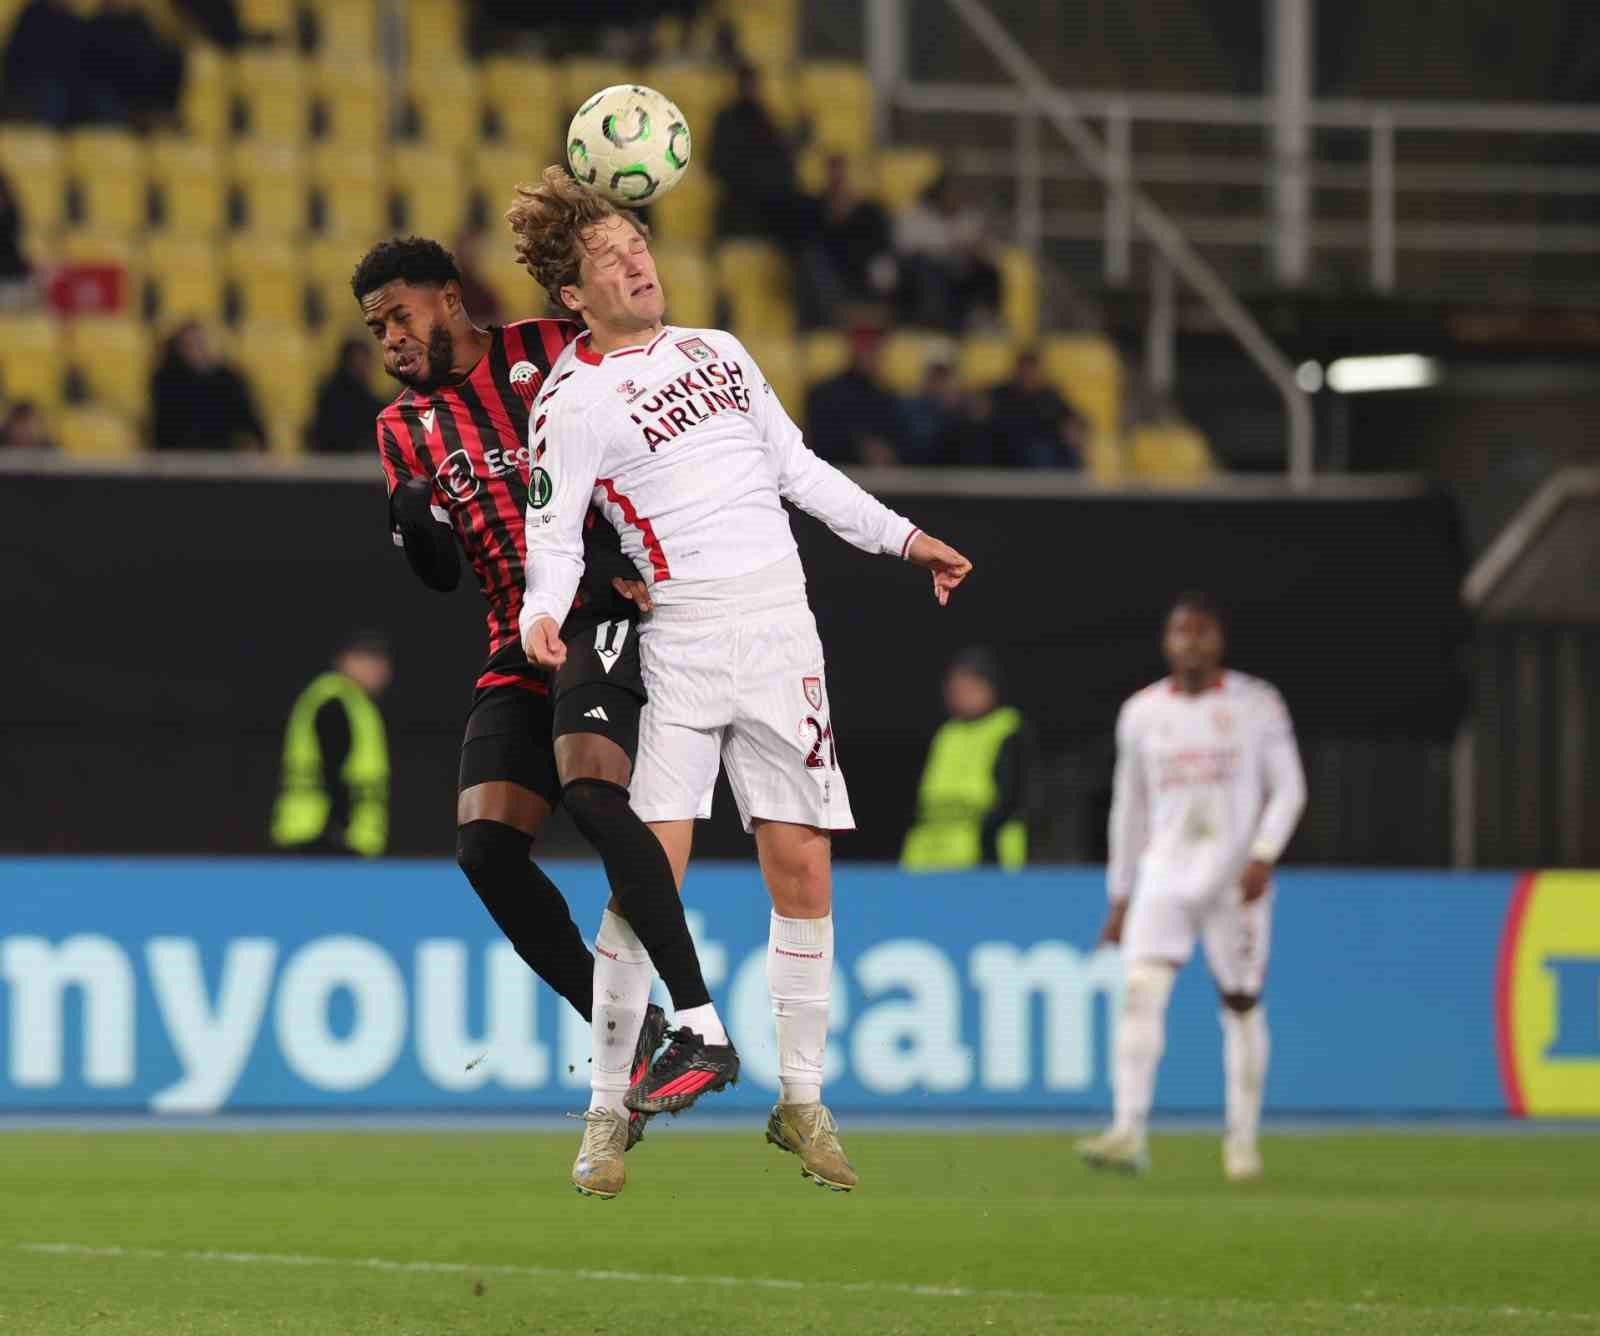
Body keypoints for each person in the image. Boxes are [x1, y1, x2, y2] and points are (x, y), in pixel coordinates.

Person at [506, 166, 972, 1194]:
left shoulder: (718, 351)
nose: (639, 263)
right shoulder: (570, 400)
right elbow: (553, 537)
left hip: (781, 635)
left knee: (801, 867)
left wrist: (903, 540)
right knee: (648, 874)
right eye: (612, 258)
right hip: (679, 641)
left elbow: (797, 472)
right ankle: (603, 1111)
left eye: (640, 246)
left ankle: (800, 1099)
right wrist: (545, 610)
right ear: (572, 295)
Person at [353, 235, 726, 1192]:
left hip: (603, 606)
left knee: (593, 796)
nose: (392, 340)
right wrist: (416, 525)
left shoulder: (551, 347)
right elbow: (440, 576)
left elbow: (655, 420)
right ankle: (637, 1031)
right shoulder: (403, 430)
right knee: (484, 847)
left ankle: (696, 1023)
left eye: (402, 315)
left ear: (449, 297)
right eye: (376, 328)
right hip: (516, 641)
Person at [1078, 593, 1306, 1181]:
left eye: (1203, 632)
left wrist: (1264, 853)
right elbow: (1128, 810)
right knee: (1141, 991)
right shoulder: (1142, 713)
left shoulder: (1257, 705)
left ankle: (1242, 1142)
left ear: (1219, 642)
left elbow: (1289, 789)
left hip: (1236, 878)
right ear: (1167, 642)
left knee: (1239, 1001)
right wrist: (1121, 894)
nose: (1192, 643)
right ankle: (1128, 1130)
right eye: (1183, 632)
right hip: (1165, 873)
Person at [901, 648, 1030, 870]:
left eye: (968, 687)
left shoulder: (1007, 729)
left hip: (985, 854)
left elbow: (1014, 797)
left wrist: (988, 846)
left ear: (989, 687)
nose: (959, 695)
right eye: (954, 689)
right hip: (930, 852)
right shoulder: (946, 733)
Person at [270, 630, 393, 857]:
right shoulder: (335, 701)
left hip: (324, 836)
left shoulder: (351, 702)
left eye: (381, 662)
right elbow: (332, 771)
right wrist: (337, 830)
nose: (379, 671)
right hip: (323, 837)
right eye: (368, 660)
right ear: (344, 661)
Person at [708, 63, 807, 242]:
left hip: (766, 196)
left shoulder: (764, 118)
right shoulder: (727, 120)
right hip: (739, 196)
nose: (750, 89)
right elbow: (716, 162)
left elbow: (780, 154)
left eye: (753, 84)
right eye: (747, 84)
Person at [798, 154, 896, 329]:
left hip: (863, 287)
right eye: (833, 176)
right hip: (830, 291)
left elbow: (883, 256)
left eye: (842, 177)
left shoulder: (871, 214)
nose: (838, 182)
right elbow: (806, 246)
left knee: (883, 270)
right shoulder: (811, 211)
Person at [894, 176, 1002, 332]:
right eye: (950, 193)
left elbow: (991, 250)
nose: (954, 198)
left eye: (958, 194)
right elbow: (905, 246)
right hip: (926, 273)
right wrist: (948, 248)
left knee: (987, 270)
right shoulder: (917, 215)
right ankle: (931, 321)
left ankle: (984, 318)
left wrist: (978, 249)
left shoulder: (970, 218)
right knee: (929, 270)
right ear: (938, 195)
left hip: (962, 272)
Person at [150, 322, 266, 451]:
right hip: (178, 457)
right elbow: (162, 430)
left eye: (200, 343)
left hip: (222, 457)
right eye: (189, 345)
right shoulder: (166, 381)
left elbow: (250, 422)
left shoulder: (229, 380)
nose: (197, 350)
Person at [802, 327, 903, 466]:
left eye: (873, 347)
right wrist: (860, 448)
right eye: (865, 346)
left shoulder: (886, 398)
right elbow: (819, 441)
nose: (869, 353)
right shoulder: (823, 394)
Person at [986, 349, 1087, 469]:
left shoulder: (1050, 395)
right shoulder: (1001, 394)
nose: (1027, 376)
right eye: (1024, 370)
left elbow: (1076, 418)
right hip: (1008, 449)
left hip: (1046, 451)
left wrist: (1073, 427)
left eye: (1032, 370)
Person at [307, 339, 386, 453]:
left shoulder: (361, 393)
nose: (364, 367)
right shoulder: (336, 395)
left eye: (366, 361)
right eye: (359, 361)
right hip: (336, 460)